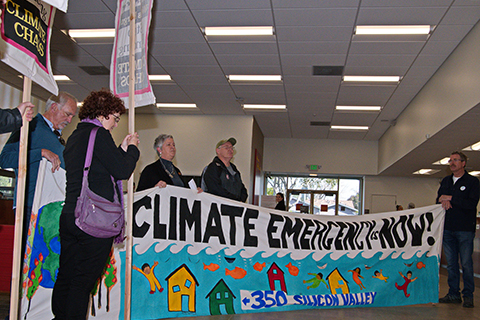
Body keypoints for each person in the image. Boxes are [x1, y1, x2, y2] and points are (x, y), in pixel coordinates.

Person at [51, 89, 140, 319]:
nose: (115, 124)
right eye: (115, 118)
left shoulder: (75, 137)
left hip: (70, 215)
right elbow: (121, 171)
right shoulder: (99, 135)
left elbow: (99, 168)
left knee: (67, 275)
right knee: (83, 282)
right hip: (92, 220)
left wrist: (120, 149)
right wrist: (133, 151)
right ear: (103, 114)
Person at [0, 92, 77, 234]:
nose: (70, 120)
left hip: (50, 205)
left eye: (72, 116)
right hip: (31, 204)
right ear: (54, 107)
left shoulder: (54, 135)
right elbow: (4, 159)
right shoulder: (30, 126)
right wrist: (40, 152)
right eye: (67, 114)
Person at [436, 151, 479, 308]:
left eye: (455, 160)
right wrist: (443, 199)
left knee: (466, 263)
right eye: (450, 160)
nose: (452, 163)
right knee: (452, 264)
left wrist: (451, 198)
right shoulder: (446, 181)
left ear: (463, 163)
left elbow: (471, 204)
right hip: (448, 229)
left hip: (465, 230)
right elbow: (439, 199)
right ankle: (453, 294)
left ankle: (468, 295)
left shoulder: (472, 182)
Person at [202, 137, 248, 202]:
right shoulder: (213, 168)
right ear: (218, 151)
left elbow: (241, 188)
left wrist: (241, 200)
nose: (230, 150)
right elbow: (215, 190)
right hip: (220, 208)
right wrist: (234, 200)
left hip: (236, 208)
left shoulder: (234, 169)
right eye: (226, 147)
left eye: (232, 148)